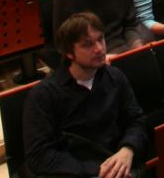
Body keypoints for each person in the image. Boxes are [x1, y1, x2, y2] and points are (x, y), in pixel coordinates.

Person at [23, 12, 150, 177]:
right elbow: (40, 155)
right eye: (87, 45)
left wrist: (128, 149)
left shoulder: (115, 77)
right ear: (69, 53)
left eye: (100, 39)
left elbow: (137, 120)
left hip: (118, 165)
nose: (99, 49)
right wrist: (98, 171)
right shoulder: (43, 95)